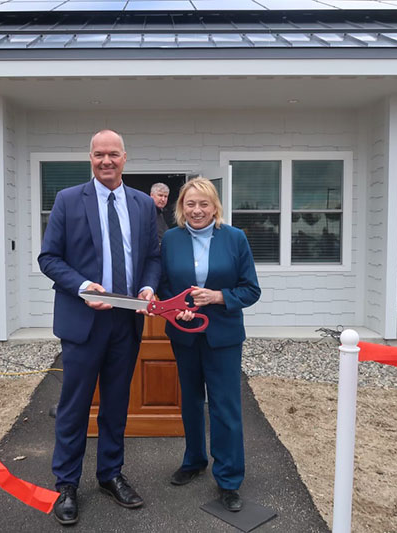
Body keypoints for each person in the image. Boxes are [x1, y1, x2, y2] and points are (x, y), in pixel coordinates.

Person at [38, 129, 161, 526]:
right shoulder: (68, 200)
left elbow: (153, 256)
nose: (106, 161)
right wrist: (82, 286)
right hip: (83, 320)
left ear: (125, 157)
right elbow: (49, 257)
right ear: (89, 158)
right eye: (98, 155)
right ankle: (66, 485)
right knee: (74, 407)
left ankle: (110, 474)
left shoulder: (143, 205)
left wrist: (147, 286)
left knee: (116, 404)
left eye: (113, 154)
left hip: (125, 322)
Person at [158, 177, 261, 512]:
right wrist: (177, 309)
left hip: (223, 336)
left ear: (215, 207)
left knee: (225, 406)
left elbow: (251, 290)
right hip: (184, 334)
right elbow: (162, 285)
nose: (197, 210)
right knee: (190, 400)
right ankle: (194, 460)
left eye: (204, 204)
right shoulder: (170, 240)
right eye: (190, 204)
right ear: (181, 208)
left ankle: (229, 479)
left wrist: (218, 296)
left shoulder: (235, 239)